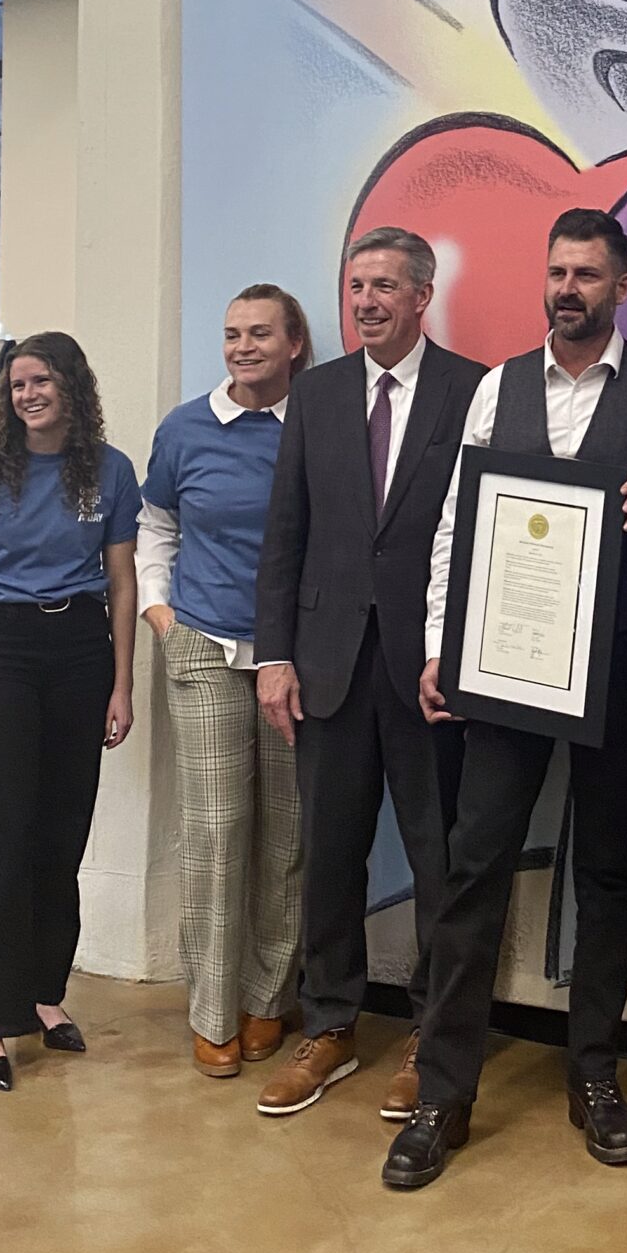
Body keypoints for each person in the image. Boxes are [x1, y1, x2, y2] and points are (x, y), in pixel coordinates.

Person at [382, 209, 627, 1191]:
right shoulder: (498, 387)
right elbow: (455, 525)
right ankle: (444, 1093)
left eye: (588, 274)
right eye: (558, 272)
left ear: (622, 286)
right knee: (474, 866)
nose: (568, 288)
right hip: (504, 669)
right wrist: (439, 646)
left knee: (605, 871)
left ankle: (593, 1073)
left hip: (621, 668)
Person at [252, 227, 484, 1123]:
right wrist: (275, 655)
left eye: (385, 285)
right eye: (356, 286)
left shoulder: (474, 390)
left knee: (439, 858)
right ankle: (331, 1025)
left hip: (427, 671)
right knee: (330, 854)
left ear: (423, 296)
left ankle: (433, 1034)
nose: (367, 301)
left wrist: (459, 652)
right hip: (327, 667)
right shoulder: (315, 394)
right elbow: (286, 532)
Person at [0, 332, 140, 1093]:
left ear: (72, 388)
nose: (28, 395)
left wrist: (121, 685)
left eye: (42, 381)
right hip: (1, 651)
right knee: (1, 833)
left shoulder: (110, 470)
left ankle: (44, 993)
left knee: (62, 831)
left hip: (81, 650)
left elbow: (123, 585)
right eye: (16, 384)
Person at [139, 286, 312, 1079]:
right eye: (232, 333)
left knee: (286, 832)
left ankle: (266, 998)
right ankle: (211, 1012)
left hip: (293, 656)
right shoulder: (185, 429)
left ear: (294, 343)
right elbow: (156, 523)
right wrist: (161, 614)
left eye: (260, 334)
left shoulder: (317, 424)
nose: (243, 348)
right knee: (216, 831)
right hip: (203, 643)